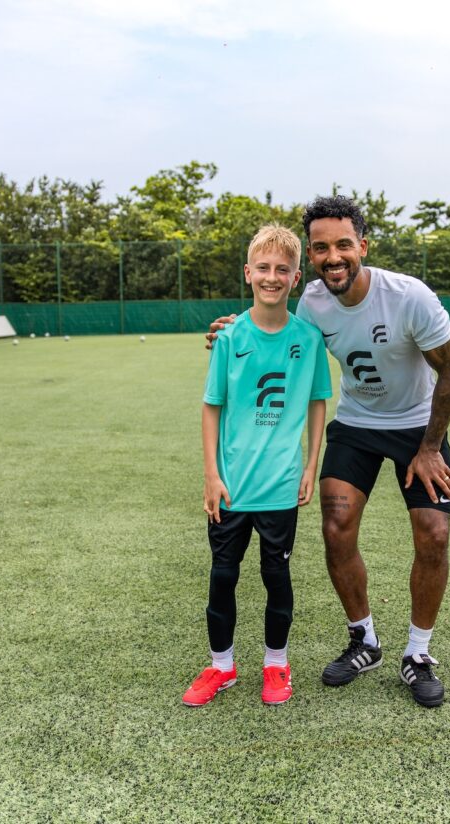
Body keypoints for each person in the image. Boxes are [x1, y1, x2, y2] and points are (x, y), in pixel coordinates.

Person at [208, 195, 450, 708]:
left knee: (434, 532)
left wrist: (431, 447)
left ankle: (417, 655)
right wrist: (233, 327)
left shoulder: (410, 297)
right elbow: (277, 325)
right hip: (357, 423)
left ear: (362, 246)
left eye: (343, 244)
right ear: (312, 256)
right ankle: (363, 639)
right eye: (321, 248)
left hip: (416, 426)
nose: (333, 257)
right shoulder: (314, 303)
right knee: (335, 525)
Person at [183, 224, 330, 707]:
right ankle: (221, 667)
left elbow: (315, 403)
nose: (272, 277)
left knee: (276, 577)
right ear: (248, 274)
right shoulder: (229, 337)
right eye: (263, 268)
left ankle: (276, 663)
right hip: (231, 485)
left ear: (295, 277)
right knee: (223, 575)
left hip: (280, 486)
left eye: (281, 270)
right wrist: (211, 472)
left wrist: (311, 465)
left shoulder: (308, 340)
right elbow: (211, 406)